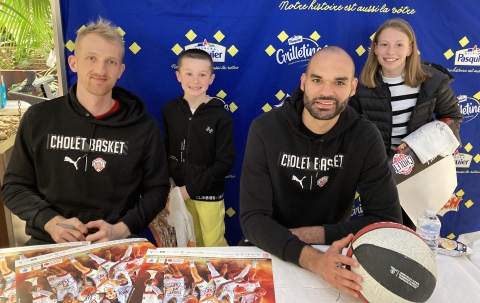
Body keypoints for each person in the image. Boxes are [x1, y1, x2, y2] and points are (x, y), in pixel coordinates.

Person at [239, 46, 402, 298]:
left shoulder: (364, 136)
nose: (326, 92)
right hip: (270, 247)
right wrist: (314, 260)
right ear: (304, 82)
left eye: (339, 82)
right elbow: (253, 219)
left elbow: (387, 220)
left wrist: (313, 236)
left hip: (333, 254)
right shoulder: (265, 129)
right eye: (317, 80)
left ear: (353, 87)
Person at [1, 17, 170, 245]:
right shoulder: (38, 119)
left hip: (116, 242)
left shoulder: (143, 127)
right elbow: (14, 187)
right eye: (91, 58)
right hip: (49, 241)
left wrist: (122, 229)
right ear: (73, 63)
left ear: (120, 70)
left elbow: (157, 190)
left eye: (110, 62)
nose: (100, 70)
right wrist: (50, 222)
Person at [349, 18, 463, 227]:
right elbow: (352, 131)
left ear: (410, 49)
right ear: (375, 49)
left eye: (399, 45)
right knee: (381, 230)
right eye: (384, 44)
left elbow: (453, 118)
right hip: (380, 175)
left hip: (421, 173)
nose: (390, 51)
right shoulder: (361, 87)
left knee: (412, 231)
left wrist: (418, 145)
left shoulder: (433, 81)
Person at [162, 48, 236, 247]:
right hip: (178, 193)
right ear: (178, 76)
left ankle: (219, 277)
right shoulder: (169, 110)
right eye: (189, 74)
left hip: (209, 195)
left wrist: (190, 189)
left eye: (202, 75)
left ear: (211, 78)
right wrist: (170, 188)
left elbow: (225, 162)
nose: (195, 81)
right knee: (190, 243)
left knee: (213, 244)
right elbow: (166, 150)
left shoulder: (221, 116)